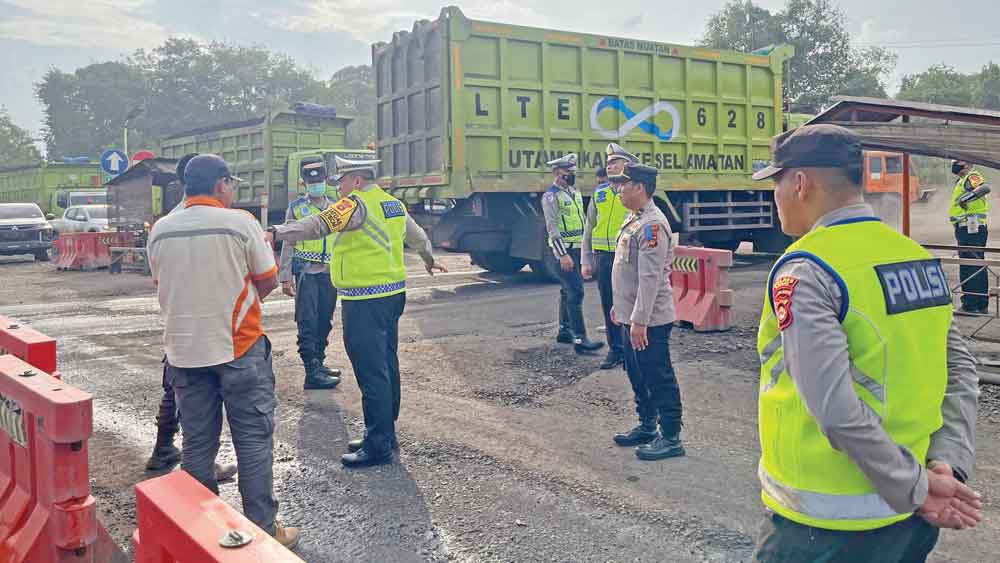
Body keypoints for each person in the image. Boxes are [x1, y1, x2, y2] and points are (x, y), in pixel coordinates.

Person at [751, 125, 981, 562]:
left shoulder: (806, 270)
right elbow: (960, 370)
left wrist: (917, 488)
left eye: (775, 183)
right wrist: (945, 464)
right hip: (909, 522)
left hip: (820, 527)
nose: (773, 197)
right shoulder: (914, 256)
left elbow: (835, 411)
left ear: (800, 183)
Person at [147, 154, 298, 548]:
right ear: (220, 185)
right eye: (231, 183)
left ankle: (202, 533)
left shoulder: (160, 230)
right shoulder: (239, 223)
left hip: (183, 352)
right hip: (239, 347)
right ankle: (263, 530)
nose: (233, 189)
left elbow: (162, 283)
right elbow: (266, 282)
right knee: (252, 440)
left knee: (198, 444)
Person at [265, 156, 448, 467]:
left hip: (364, 299)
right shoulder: (392, 204)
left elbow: (318, 225)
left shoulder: (354, 204)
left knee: (371, 370)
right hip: (392, 295)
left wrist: (276, 231)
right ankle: (385, 433)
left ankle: (378, 445)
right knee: (387, 364)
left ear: (358, 181)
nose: (338, 189)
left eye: (342, 183)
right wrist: (428, 260)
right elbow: (418, 237)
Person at [145, 152, 237, 484]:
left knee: (175, 387)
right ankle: (195, 467)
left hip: (178, 324)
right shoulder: (200, 218)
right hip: (206, 327)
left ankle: (164, 449)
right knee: (196, 401)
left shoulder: (167, 223)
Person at [607, 162, 685, 460]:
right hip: (632, 315)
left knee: (657, 375)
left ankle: (671, 437)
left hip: (649, 319)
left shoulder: (652, 224)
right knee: (638, 374)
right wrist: (621, 306)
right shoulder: (634, 219)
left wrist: (639, 321)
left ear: (639, 187)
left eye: (622, 185)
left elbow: (650, 279)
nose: (618, 191)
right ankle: (647, 425)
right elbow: (628, 270)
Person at [278, 157, 342, 390]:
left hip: (329, 272)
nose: (316, 184)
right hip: (306, 271)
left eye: (320, 180)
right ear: (304, 184)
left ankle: (320, 362)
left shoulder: (337, 206)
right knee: (307, 321)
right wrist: (284, 276)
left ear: (326, 180)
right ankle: (311, 371)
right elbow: (288, 240)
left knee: (325, 319)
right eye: (311, 181)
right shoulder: (297, 208)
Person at [583, 143, 639, 369]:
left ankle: (631, 352)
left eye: (615, 162)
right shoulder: (600, 194)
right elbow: (589, 227)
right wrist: (586, 260)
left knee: (628, 304)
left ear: (626, 165)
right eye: (608, 163)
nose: (610, 166)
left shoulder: (633, 191)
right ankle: (615, 350)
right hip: (604, 258)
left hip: (626, 256)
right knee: (609, 305)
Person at [541, 153, 603, 355]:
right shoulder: (551, 196)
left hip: (576, 248)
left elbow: (583, 222)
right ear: (559, 173)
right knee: (576, 292)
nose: (572, 175)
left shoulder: (574, 192)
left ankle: (564, 331)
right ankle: (580, 338)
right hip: (563, 251)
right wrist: (562, 255)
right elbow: (552, 228)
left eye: (573, 171)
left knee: (567, 291)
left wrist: (587, 248)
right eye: (569, 172)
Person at [949, 160, 991, 314]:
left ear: (966, 163)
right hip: (968, 229)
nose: (953, 164)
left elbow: (985, 188)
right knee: (974, 264)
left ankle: (971, 305)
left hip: (971, 229)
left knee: (970, 266)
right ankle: (979, 304)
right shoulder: (962, 180)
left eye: (956, 161)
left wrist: (965, 199)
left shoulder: (972, 175)